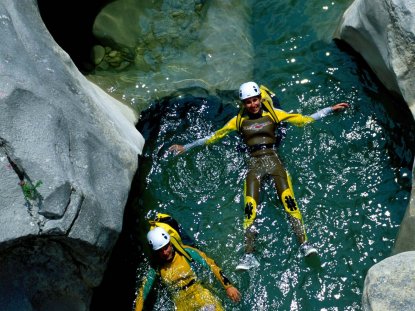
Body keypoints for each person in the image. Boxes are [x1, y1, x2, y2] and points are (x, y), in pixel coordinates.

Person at [169, 81, 349, 270]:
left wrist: (330, 109)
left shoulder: (274, 114)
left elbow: (304, 119)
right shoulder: (237, 121)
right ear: (243, 103)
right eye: (248, 102)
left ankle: (305, 244)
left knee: (289, 202)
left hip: (274, 161)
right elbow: (213, 137)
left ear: (260, 99)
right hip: (253, 165)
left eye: (255, 100)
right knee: (250, 209)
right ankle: (248, 256)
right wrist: (185, 147)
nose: (253, 104)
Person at [134, 227, 241, 311]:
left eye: (166, 247)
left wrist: (228, 286)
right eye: (160, 251)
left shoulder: (186, 252)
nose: (165, 253)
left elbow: (211, 265)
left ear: (170, 243)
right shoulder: (156, 268)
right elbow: (143, 292)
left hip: (199, 293)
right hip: (180, 302)